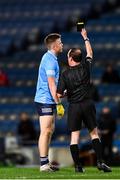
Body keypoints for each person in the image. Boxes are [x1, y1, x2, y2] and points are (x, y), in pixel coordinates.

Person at [57, 28, 111, 173]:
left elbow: (59, 94)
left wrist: (67, 93)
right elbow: (90, 53)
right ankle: (100, 163)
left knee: (74, 138)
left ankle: (78, 167)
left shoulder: (65, 73)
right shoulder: (86, 67)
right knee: (94, 134)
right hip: (88, 104)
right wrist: (85, 37)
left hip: (74, 106)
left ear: (70, 58)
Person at [34, 33, 65, 172]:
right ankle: (43, 164)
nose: (62, 44)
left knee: (50, 131)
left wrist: (60, 95)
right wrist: (58, 103)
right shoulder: (50, 60)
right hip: (45, 100)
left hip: (49, 99)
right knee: (45, 131)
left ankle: (45, 162)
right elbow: (51, 84)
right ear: (54, 45)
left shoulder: (52, 58)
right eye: (60, 42)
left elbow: (54, 84)